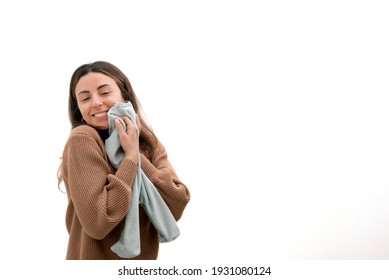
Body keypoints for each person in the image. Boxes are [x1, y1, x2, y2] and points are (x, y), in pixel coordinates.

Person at [57, 61, 190, 260]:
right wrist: (129, 159)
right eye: (85, 98)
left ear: (124, 95)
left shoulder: (148, 143)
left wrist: (135, 152)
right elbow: (98, 223)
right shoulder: (83, 139)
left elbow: (177, 203)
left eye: (104, 93)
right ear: (79, 109)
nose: (96, 102)